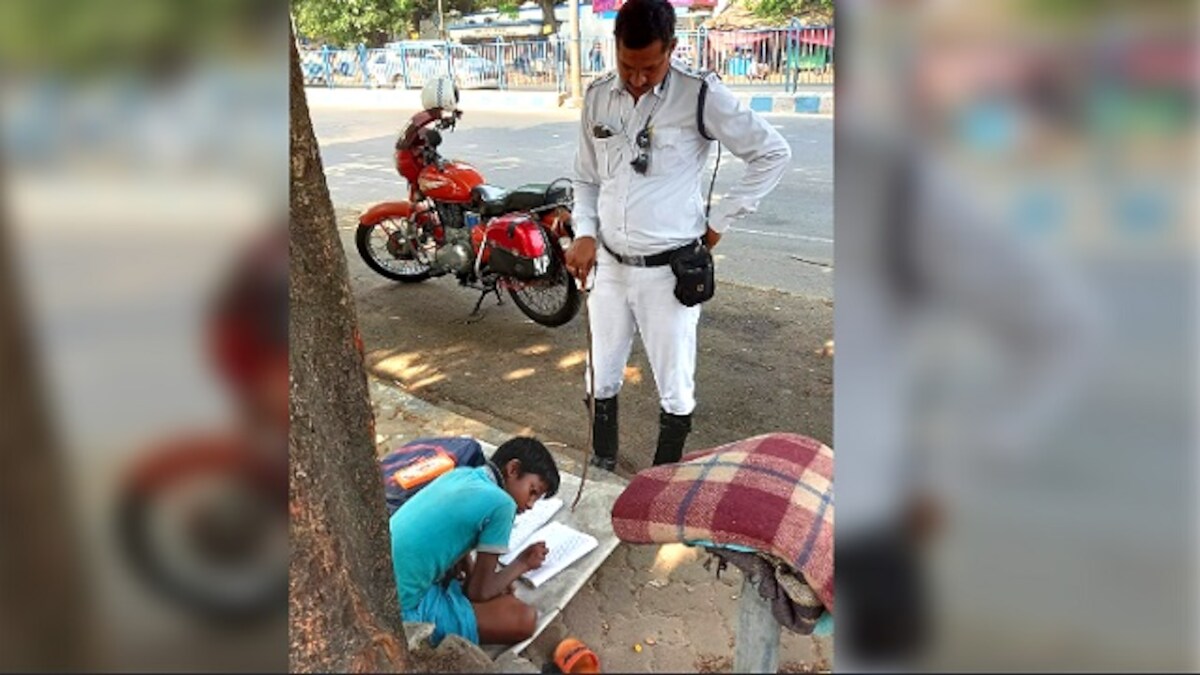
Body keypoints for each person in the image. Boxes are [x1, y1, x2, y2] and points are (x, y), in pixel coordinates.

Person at [565, 0, 791, 472]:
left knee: (675, 383)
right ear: (615, 49)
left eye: (649, 66)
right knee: (599, 373)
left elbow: (771, 153)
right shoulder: (598, 97)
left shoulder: (699, 95)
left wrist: (719, 221)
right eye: (628, 65)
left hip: (668, 273)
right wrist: (584, 232)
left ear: (671, 48)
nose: (638, 78)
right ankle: (603, 462)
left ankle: (663, 477)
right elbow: (586, 178)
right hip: (608, 265)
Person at [389, 437, 561, 646]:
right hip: (398, 609)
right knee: (523, 618)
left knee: (497, 593)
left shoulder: (461, 474)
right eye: (532, 491)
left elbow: (459, 544)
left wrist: (475, 576)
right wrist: (522, 563)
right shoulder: (503, 504)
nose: (531, 504)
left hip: (378, 582)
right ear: (513, 469)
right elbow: (479, 592)